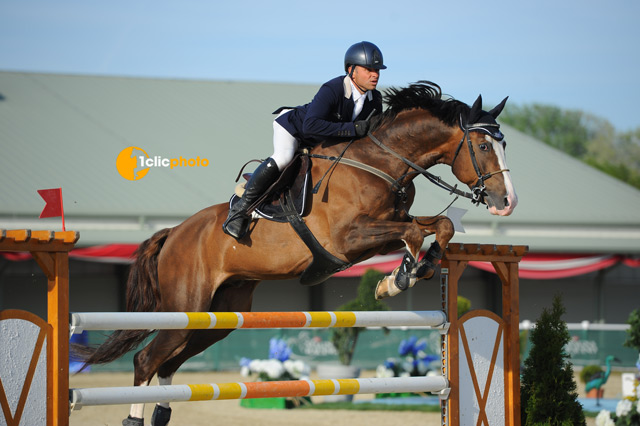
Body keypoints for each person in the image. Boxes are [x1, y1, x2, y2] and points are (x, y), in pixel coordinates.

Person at [223, 41, 387, 239]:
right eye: (369, 69)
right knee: (283, 158)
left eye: (377, 70)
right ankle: (239, 210)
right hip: (294, 129)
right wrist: (352, 129)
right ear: (351, 70)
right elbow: (311, 125)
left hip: (321, 141)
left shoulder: (375, 100)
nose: (375, 75)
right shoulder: (333, 89)